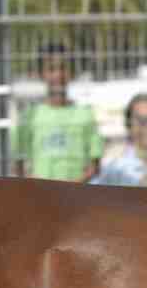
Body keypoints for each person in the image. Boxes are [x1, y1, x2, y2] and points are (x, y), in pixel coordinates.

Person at [13, 43, 103, 183]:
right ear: (41, 74)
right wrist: (36, 188)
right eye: (51, 69)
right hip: (39, 196)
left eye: (63, 68)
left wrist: (71, 188)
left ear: (71, 73)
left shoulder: (85, 114)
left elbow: (95, 165)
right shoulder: (30, 115)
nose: (58, 75)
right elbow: (17, 162)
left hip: (76, 196)